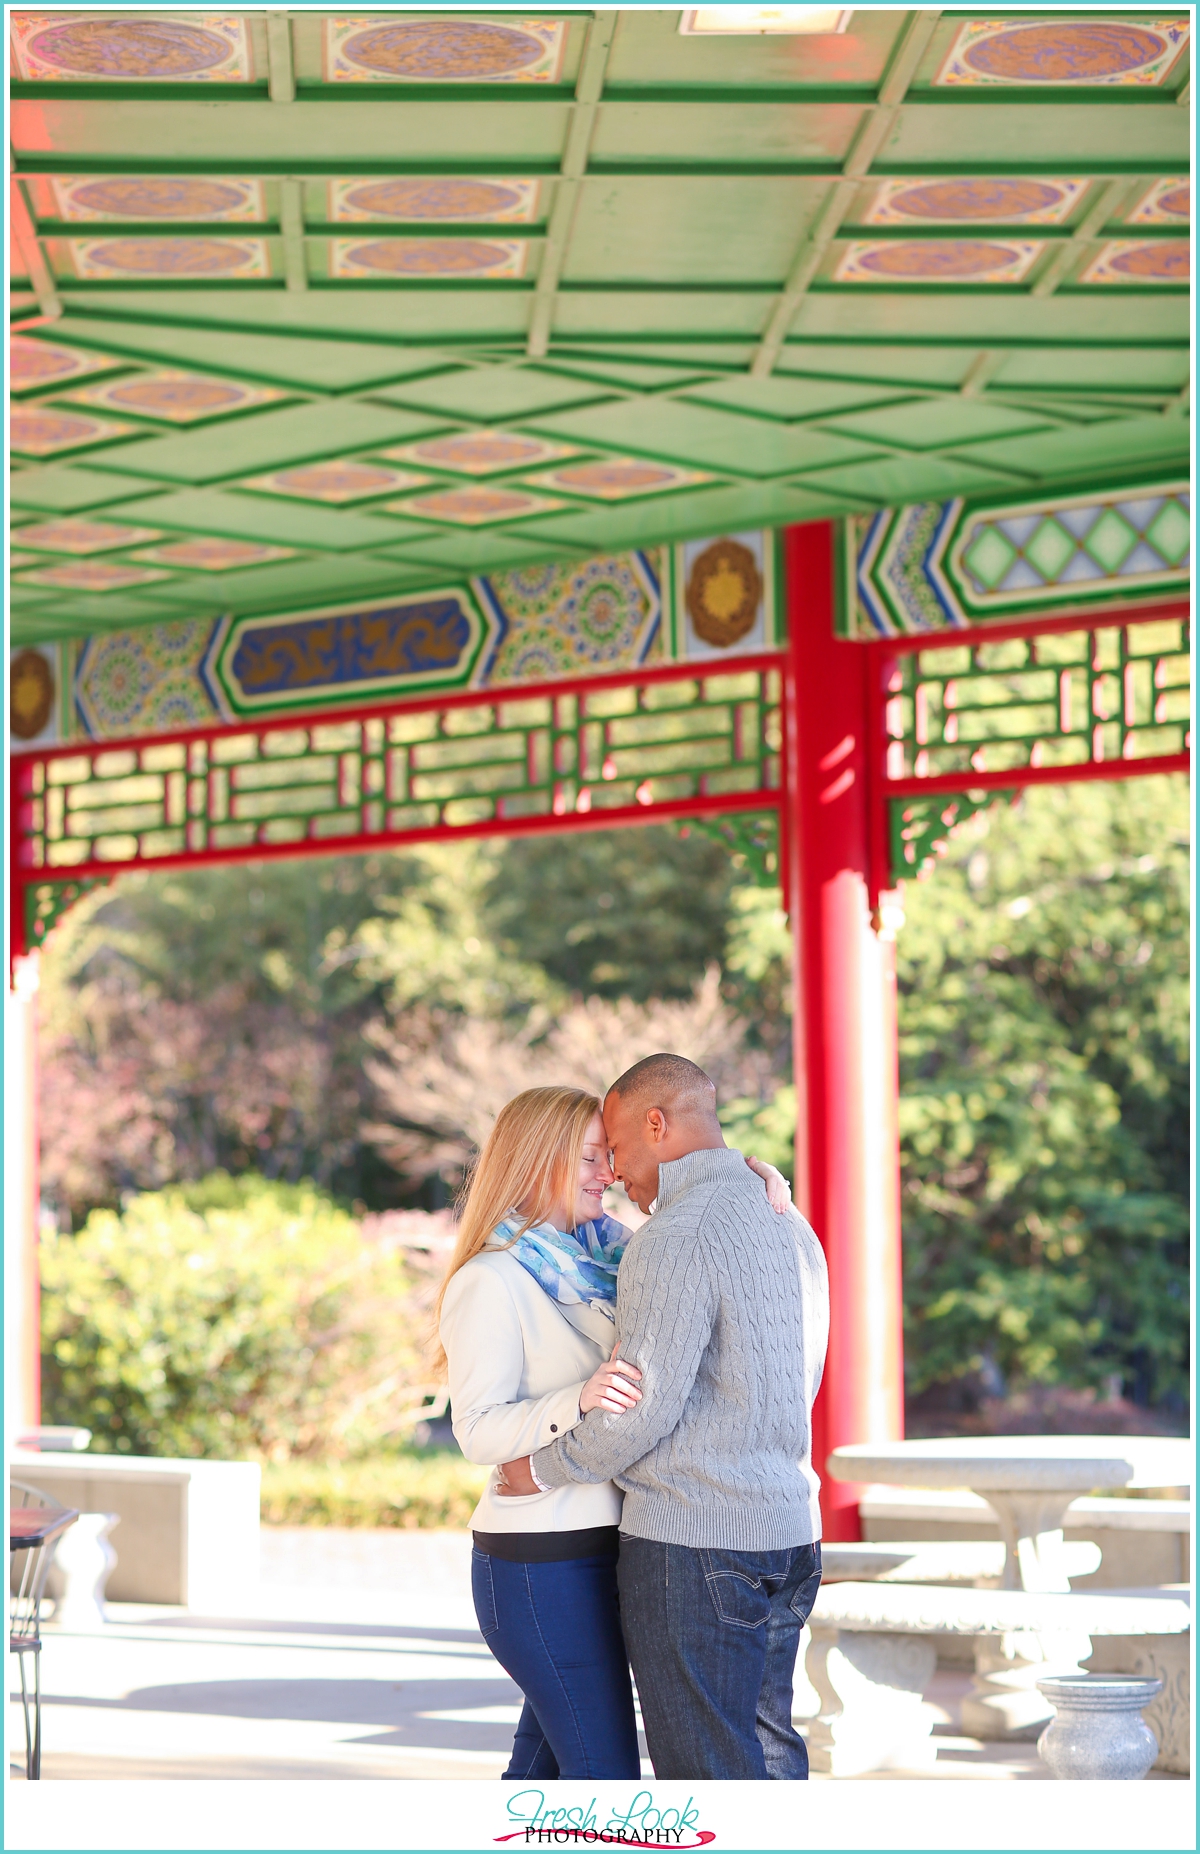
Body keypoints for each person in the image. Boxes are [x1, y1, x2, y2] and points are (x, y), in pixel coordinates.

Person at [435, 1082, 793, 1782]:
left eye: (609, 1156)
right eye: (591, 1159)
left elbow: (704, 1239)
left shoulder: (617, 1255)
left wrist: (760, 1186)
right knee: (605, 1784)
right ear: (538, 1160)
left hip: (616, 1554)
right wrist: (579, 1398)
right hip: (541, 1563)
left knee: (542, 1777)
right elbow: (477, 1433)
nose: (610, 1175)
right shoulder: (492, 1280)